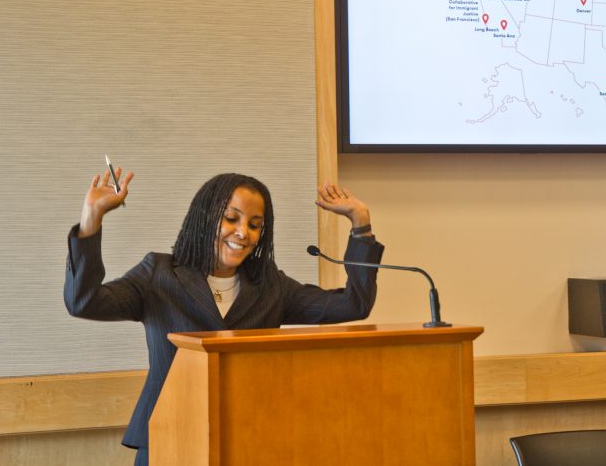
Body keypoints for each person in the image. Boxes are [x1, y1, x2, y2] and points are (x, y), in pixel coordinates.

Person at [64, 169, 382, 466]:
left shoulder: (270, 285)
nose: (243, 233)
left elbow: (353, 304)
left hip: (249, 439)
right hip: (170, 437)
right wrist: (92, 218)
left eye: (255, 225)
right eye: (231, 218)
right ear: (205, 219)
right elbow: (84, 301)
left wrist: (361, 223)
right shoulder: (159, 274)